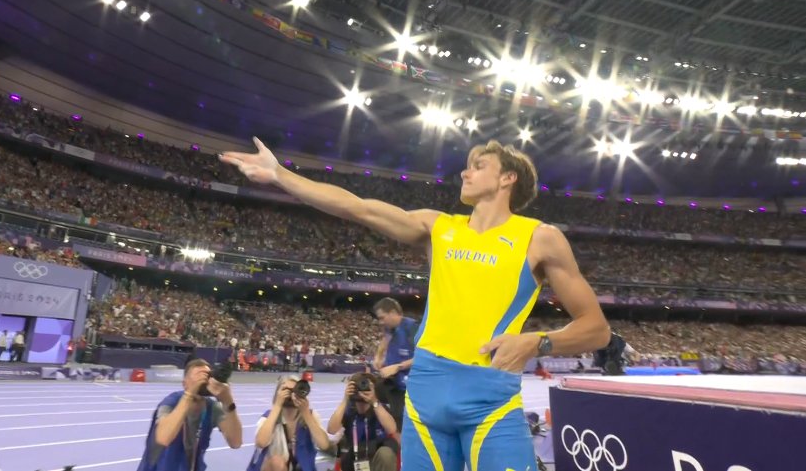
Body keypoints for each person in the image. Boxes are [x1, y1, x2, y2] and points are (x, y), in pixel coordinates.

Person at [221, 138, 611, 471]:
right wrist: (280, 175)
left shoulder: (539, 239)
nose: (465, 173)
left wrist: (536, 342)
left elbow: (596, 328)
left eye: (479, 166)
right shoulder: (438, 226)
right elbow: (358, 207)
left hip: (489, 397)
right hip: (425, 396)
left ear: (508, 178)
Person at [137, 359, 243, 471]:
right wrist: (189, 393)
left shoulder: (212, 407)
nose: (203, 379)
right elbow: (163, 438)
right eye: (198, 376)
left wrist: (228, 401)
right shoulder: (171, 402)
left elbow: (236, 442)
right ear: (184, 384)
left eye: (207, 375)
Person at [246, 376, 332, 471]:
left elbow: (324, 445)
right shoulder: (269, 416)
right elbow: (261, 442)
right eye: (286, 390)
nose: (290, 394)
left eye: (294, 390)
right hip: (273, 468)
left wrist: (306, 414)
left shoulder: (310, 415)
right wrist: (277, 405)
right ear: (277, 393)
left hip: (301, 468)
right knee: (277, 462)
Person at [326, 373, 398, 471]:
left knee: (385, 453)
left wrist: (374, 401)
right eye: (358, 386)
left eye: (365, 385)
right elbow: (331, 430)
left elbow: (392, 429)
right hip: (355, 461)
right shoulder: (349, 411)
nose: (362, 389)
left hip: (375, 463)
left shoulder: (380, 409)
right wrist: (345, 399)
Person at [371, 297, 416, 430]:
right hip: (390, 381)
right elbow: (385, 341)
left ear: (392, 312)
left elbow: (424, 357)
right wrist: (378, 357)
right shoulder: (389, 328)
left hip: (405, 385)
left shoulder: (412, 328)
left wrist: (398, 367)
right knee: (363, 394)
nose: (380, 322)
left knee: (399, 420)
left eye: (382, 317)